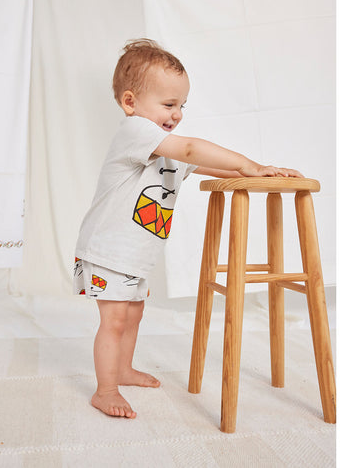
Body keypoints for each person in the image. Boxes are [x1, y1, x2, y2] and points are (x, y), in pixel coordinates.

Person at [74, 38, 303, 419]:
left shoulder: (163, 147)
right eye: (168, 105)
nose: (177, 114)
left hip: (133, 256)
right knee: (113, 321)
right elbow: (192, 149)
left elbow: (202, 165)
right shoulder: (136, 132)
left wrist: (260, 169)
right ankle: (106, 389)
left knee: (133, 315)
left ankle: (123, 369)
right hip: (107, 251)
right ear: (130, 102)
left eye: (182, 105)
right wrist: (248, 164)